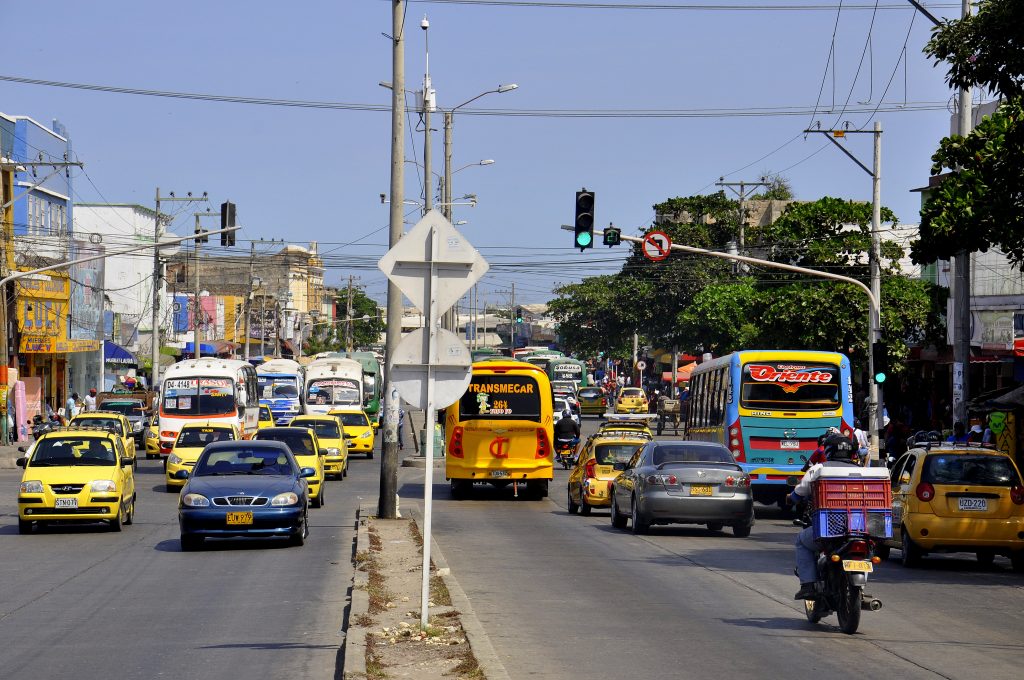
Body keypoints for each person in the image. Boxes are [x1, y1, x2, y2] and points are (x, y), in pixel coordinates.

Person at [789, 433, 862, 600]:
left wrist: (790, 498)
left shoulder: (818, 469)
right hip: (859, 526)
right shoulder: (863, 471)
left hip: (830, 526)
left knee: (802, 541)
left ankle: (808, 585)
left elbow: (798, 494)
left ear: (828, 451)